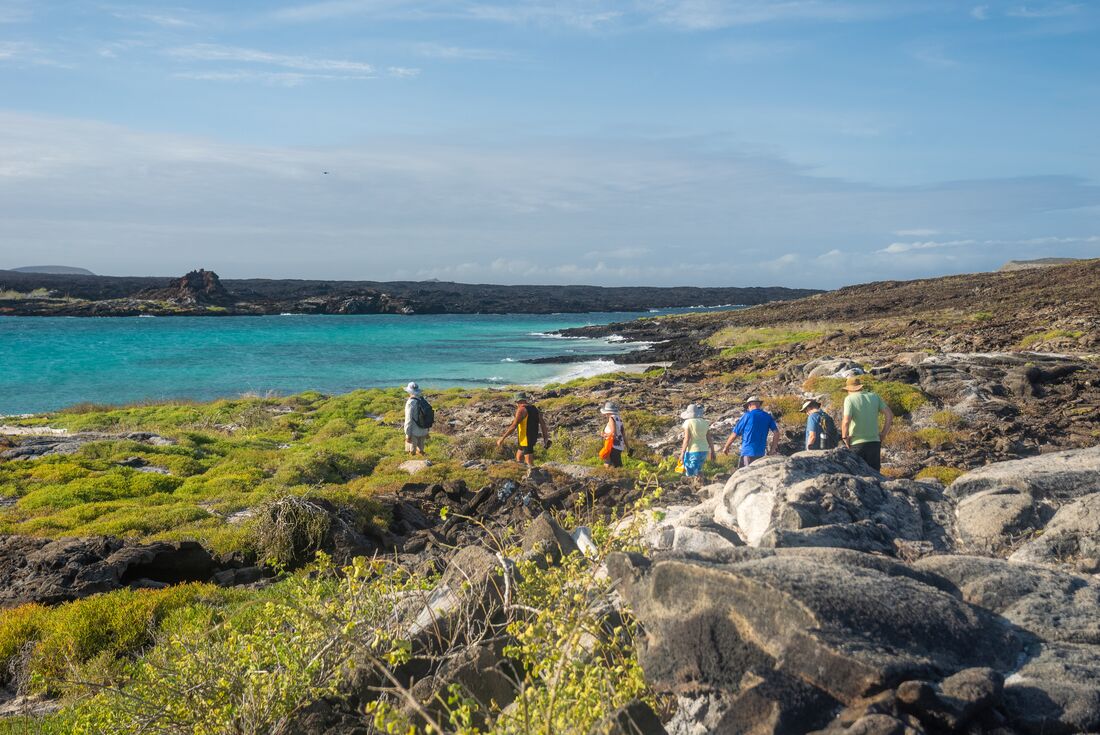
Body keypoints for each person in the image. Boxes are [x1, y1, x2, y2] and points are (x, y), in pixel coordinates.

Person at [841, 376, 893, 471]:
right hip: (875, 442)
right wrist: (883, 434)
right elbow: (889, 415)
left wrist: (844, 437)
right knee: (875, 475)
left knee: (858, 477)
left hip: (857, 443)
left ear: (849, 389)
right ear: (860, 387)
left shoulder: (849, 399)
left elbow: (846, 421)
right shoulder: (874, 396)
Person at [722, 396, 779, 467]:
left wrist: (726, 446)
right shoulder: (767, 416)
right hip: (761, 453)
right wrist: (772, 449)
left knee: (745, 475)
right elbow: (776, 433)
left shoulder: (747, 415)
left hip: (748, 452)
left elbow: (735, 434)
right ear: (759, 404)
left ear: (749, 405)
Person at [497, 392, 550, 465]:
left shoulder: (521, 410)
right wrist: (545, 438)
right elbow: (543, 424)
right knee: (519, 458)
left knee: (529, 464)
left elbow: (513, 426)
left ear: (518, 401)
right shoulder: (534, 409)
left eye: (516, 402)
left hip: (526, 439)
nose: (516, 404)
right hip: (529, 438)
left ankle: (534, 475)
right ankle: (522, 474)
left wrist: (502, 438)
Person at [679, 404, 715, 484]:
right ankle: (700, 485)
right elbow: (709, 438)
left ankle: (692, 488)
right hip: (704, 450)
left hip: (693, 450)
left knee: (690, 472)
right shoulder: (704, 422)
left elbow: (687, 438)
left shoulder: (688, 422)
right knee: (698, 470)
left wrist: (682, 453)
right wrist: (712, 451)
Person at [403, 382, 432, 455]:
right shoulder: (423, 400)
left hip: (413, 432)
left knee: (412, 453)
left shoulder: (410, 402)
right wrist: (427, 431)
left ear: (409, 391)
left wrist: (407, 434)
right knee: (421, 452)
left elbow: (408, 420)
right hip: (424, 430)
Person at [598, 401, 629, 468]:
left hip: (612, 445)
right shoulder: (619, 419)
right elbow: (623, 434)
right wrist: (628, 447)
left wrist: (604, 435)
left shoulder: (611, 418)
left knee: (611, 464)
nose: (605, 414)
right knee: (615, 463)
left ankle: (610, 476)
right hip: (619, 446)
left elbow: (613, 433)